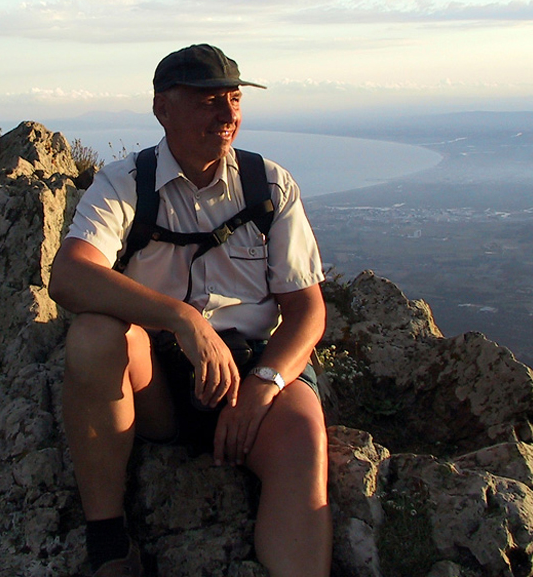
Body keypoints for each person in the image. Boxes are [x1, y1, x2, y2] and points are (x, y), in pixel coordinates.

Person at [49, 44, 332, 577]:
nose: (227, 115)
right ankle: (109, 545)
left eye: (234, 99)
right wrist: (183, 319)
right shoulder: (125, 184)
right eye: (208, 101)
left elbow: (307, 311)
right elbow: (68, 275)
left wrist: (264, 385)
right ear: (163, 108)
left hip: (252, 371)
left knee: (304, 440)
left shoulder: (268, 185)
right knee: (94, 335)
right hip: (158, 380)